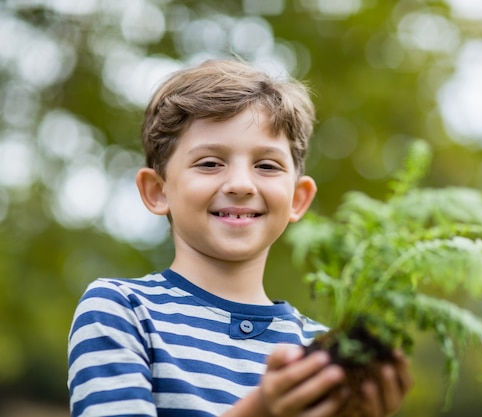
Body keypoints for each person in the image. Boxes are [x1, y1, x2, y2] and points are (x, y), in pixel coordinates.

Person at [67, 59, 412, 417]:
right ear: (158, 191)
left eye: (266, 166)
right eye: (210, 163)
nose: (241, 185)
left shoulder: (319, 353)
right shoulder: (121, 310)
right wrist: (261, 410)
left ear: (297, 199)